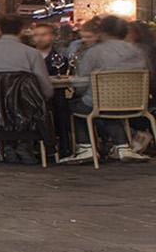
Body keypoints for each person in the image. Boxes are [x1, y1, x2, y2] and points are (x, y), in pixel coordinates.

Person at [63, 15, 152, 163]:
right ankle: (123, 147)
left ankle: (85, 147)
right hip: (136, 102)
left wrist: (76, 91)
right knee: (107, 108)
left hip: (100, 102)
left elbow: (81, 83)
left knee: (77, 106)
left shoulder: (94, 52)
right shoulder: (138, 51)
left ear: (102, 32)